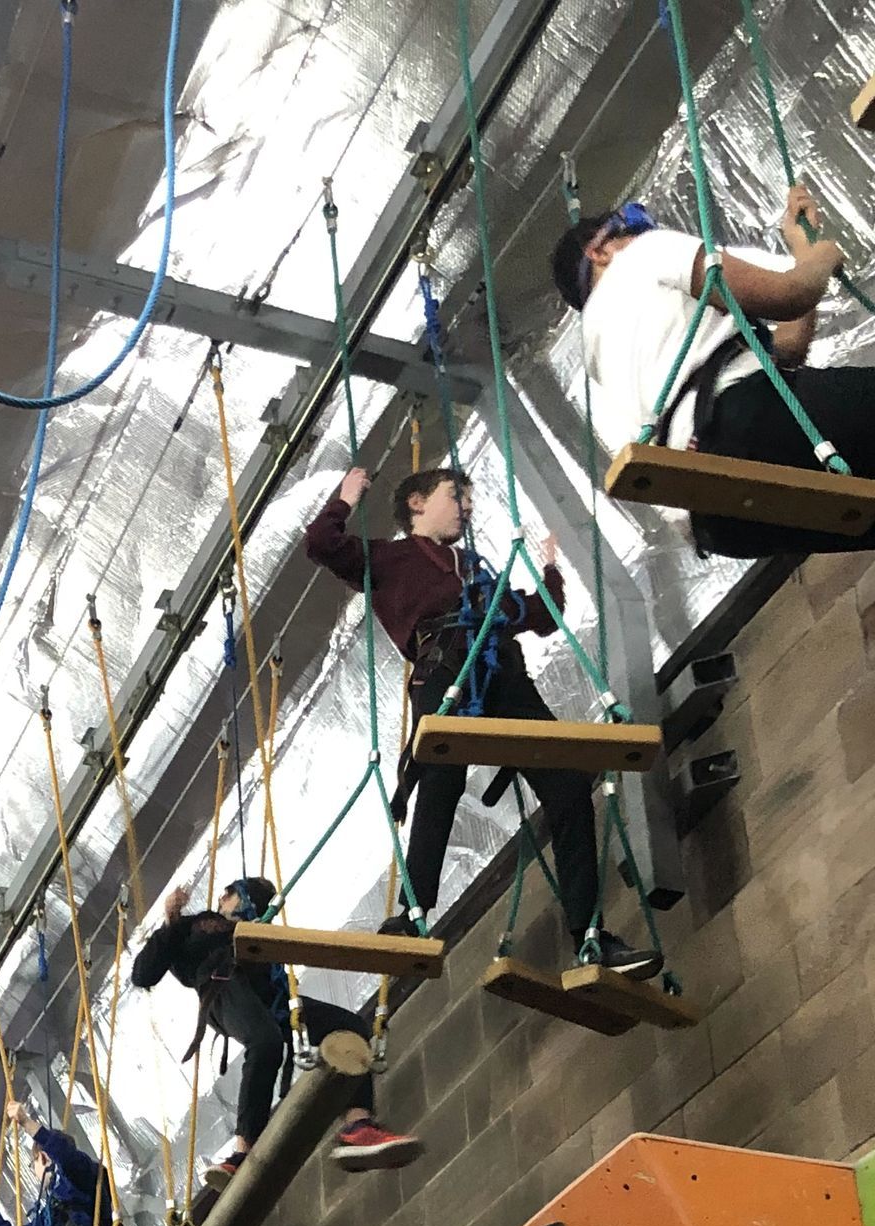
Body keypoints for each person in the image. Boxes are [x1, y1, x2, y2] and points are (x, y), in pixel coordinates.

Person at [305, 464, 657, 977]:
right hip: (446, 672)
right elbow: (321, 543)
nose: (467, 507)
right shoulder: (389, 558)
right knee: (440, 780)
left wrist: (551, 571)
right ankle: (412, 914)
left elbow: (535, 617)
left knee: (568, 787)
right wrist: (346, 497)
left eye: (469, 498)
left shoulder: (475, 568)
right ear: (418, 503)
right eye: (456, 495)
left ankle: (590, 938)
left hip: (503, 677)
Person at [552, 185, 868, 557]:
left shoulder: (601, 356)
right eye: (633, 226)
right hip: (744, 424)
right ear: (599, 249)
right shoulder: (642, 254)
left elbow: (787, 351)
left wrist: (803, 258)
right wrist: (820, 255)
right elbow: (789, 294)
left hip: (716, 514)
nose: (645, 232)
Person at [132, 877, 420, 1177]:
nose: (230, 901)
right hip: (223, 987)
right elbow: (143, 975)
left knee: (349, 1025)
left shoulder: (256, 930)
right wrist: (170, 923)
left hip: (272, 998)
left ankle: (358, 1125)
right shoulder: (193, 926)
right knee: (266, 1043)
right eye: (233, 896)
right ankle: (242, 1151)